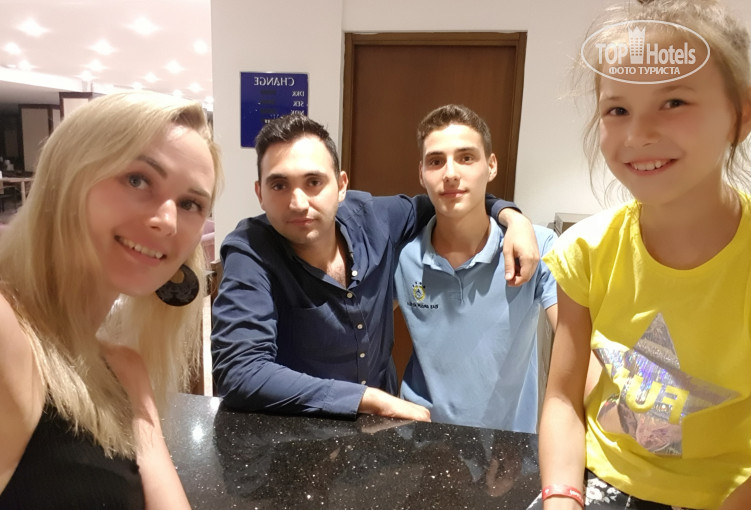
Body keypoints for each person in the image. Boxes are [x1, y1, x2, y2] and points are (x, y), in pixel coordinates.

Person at [536, 1, 751, 508]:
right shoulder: (585, 252)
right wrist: (562, 498)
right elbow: (563, 400)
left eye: (674, 101)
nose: (638, 135)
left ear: (741, 115)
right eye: (618, 110)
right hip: (601, 481)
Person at [211, 113, 540, 421]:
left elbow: (451, 198)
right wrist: (367, 399)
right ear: (260, 193)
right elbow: (239, 372)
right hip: (296, 430)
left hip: (381, 435)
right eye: (279, 185)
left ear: (341, 185)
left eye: (313, 182)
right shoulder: (250, 249)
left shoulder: (374, 219)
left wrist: (513, 217)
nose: (298, 203)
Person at [0, 91, 222, 509]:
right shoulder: (10, 334)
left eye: (190, 203)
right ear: (66, 176)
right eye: (138, 179)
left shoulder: (125, 369)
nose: (167, 221)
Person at [395, 104, 558, 433]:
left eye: (466, 157)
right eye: (436, 161)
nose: (450, 173)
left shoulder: (536, 246)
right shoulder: (403, 256)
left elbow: (578, 341)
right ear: (422, 174)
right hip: (421, 440)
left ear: (491, 165)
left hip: (507, 444)